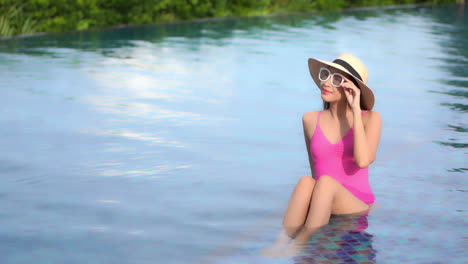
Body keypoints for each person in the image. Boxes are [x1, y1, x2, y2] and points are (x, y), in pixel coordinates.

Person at [262, 53, 382, 258]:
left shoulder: (371, 119)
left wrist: (355, 110)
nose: (326, 82)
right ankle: (283, 240)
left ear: (352, 88)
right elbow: (315, 170)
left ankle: (300, 243)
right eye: (326, 75)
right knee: (306, 182)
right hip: (324, 200)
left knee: (325, 183)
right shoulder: (310, 119)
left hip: (356, 204)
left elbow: (363, 160)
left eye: (337, 79)